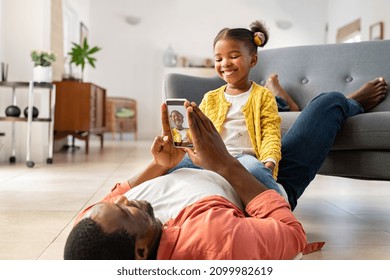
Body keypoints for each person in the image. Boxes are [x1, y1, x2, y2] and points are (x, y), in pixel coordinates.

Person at [64, 76, 387, 260]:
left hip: (191, 164)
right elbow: (291, 234)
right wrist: (225, 164)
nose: (123, 199)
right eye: (126, 213)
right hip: (255, 179)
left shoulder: (90, 231)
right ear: (140, 250)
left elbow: (118, 195)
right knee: (327, 102)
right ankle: (350, 103)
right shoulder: (217, 243)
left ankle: (281, 101)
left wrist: (159, 165)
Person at [170, 21, 283, 195]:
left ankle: (277, 203)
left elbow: (270, 132)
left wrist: (269, 161)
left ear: (252, 60)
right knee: (170, 165)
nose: (225, 63)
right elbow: (197, 132)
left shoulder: (263, 95)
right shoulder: (211, 97)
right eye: (219, 59)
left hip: (244, 158)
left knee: (256, 172)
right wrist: (181, 138)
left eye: (233, 56)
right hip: (211, 157)